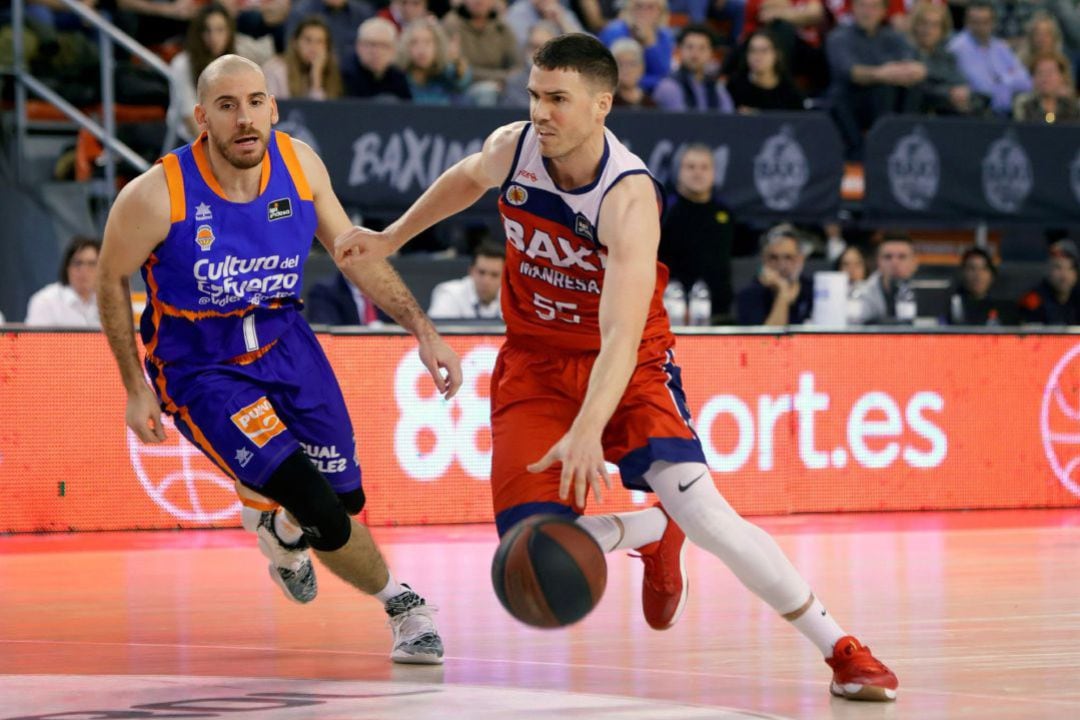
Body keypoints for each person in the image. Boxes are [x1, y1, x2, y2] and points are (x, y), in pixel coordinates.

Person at [335, 33, 899, 701]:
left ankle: (842, 650)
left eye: (558, 100)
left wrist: (588, 427)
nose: (541, 112)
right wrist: (393, 236)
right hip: (535, 366)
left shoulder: (627, 197)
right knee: (532, 553)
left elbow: (621, 336)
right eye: (535, 96)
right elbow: (465, 179)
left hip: (628, 366)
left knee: (710, 514)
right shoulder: (514, 147)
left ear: (601, 105)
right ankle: (656, 531)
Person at [96, 54, 461, 664]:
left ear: (274, 107)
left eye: (256, 102)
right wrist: (135, 387)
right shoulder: (158, 193)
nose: (245, 119)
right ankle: (406, 609)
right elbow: (110, 280)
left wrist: (422, 330)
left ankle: (280, 532)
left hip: (285, 340)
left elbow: (352, 252)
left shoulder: (300, 164)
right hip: (202, 365)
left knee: (343, 501)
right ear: (201, 118)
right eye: (228, 105)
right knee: (313, 499)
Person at [659, 144, 734, 320]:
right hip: (672, 308)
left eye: (704, 167)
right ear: (679, 172)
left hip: (719, 310)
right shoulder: (664, 211)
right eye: (690, 167)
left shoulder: (725, 213)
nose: (697, 173)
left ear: (714, 173)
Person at [948, 0, 1032, 116]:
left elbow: (1025, 82)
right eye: (975, 22)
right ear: (967, 22)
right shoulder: (958, 48)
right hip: (976, 114)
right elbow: (983, 87)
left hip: (1006, 113)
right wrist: (1007, 77)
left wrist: (999, 79)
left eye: (985, 22)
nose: (980, 27)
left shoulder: (1000, 46)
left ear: (993, 22)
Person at [734, 223, 814, 326]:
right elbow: (768, 340)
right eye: (774, 258)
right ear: (764, 260)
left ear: (800, 259)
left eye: (788, 257)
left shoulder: (814, 291)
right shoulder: (749, 295)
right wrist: (782, 294)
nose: (781, 265)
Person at [651, 24, 735, 112]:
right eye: (689, 47)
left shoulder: (717, 88)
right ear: (679, 50)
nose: (695, 54)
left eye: (702, 48)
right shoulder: (669, 86)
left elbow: (728, 119)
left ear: (711, 53)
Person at [263, 15, 346, 100]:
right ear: (295, 43)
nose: (313, 47)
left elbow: (323, 111)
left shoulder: (331, 73)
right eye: (308, 40)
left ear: (327, 48)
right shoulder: (275, 70)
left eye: (320, 42)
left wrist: (316, 77)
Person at [26, 236, 102, 327]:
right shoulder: (45, 301)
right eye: (78, 263)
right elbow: (36, 340)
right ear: (67, 267)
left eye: (92, 264)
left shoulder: (108, 301)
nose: (84, 270)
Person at [725, 29, 805, 112]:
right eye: (752, 50)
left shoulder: (790, 91)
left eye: (764, 51)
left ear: (776, 54)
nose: (757, 57)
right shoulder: (734, 86)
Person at [848, 233, 920, 324]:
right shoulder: (861, 292)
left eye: (902, 257)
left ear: (914, 262)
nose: (895, 263)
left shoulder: (930, 289)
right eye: (888, 257)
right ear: (878, 262)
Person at [428, 241, 505, 319]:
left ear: (504, 277)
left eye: (494, 275)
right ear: (471, 271)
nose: (486, 281)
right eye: (481, 272)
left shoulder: (512, 299)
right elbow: (435, 330)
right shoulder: (450, 293)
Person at [342, 17, 413, 100]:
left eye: (384, 46)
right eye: (371, 44)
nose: (377, 51)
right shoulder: (344, 76)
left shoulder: (398, 77)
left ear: (393, 50)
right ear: (358, 46)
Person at [945, 246, 1014, 325]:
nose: (978, 275)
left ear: (992, 275)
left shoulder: (1006, 308)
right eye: (972, 268)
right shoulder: (951, 305)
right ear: (962, 273)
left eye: (984, 268)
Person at [1018, 239, 1080, 325]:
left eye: (1070, 268)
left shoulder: (1077, 298)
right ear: (1048, 271)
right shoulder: (1033, 300)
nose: (1064, 276)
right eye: (1058, 268)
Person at [1012, 52, 1080, 123]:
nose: (1045, 78)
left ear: (1061, 77)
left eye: (1050, 72)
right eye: (1040, 73)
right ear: (1033, 78)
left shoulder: (1073, 106)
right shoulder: (1024, 106)